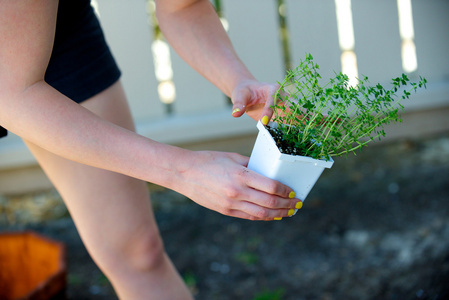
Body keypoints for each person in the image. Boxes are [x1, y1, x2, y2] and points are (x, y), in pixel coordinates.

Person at [0, 0, 301, 298]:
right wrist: (184, 171)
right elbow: (10, 96)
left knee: (137, 251)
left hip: (53, 22)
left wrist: (240, 82)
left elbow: (183, 7)